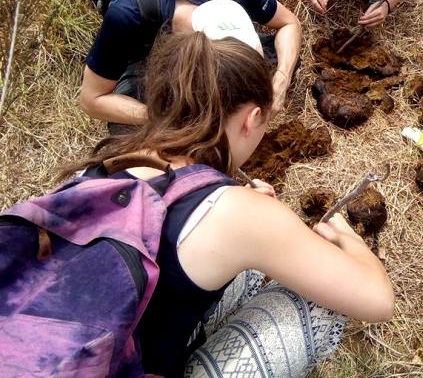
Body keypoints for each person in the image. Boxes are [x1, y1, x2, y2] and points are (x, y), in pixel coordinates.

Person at [64, 31, 394, 377]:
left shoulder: (106, 164)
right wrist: (348, 239)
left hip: (67, 352)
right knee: (320, 305)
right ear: (252, 119)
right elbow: (378, 301)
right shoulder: (239, 215)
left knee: (239, 264)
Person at [80, 0, 302, 132]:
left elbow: (289, 23)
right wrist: (169, 117)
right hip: (147, 58)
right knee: (129, 133)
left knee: (284, 55)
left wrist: (281, 80)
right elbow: (92, 100)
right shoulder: (127, 17)